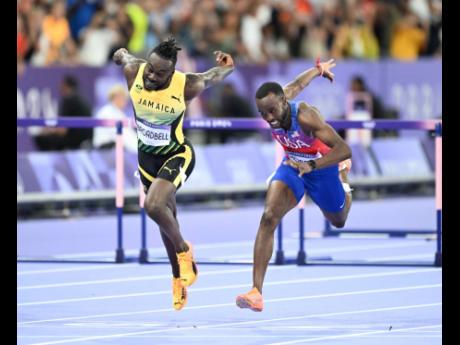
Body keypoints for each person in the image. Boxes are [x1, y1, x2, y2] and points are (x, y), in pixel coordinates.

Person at [113, 36, 234, 311]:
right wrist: (119, 53)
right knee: (166, 219)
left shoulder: (186, 84)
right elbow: (124, 57)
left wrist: (229, 66)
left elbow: (213, 75)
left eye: (160, 73)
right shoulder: (135, 70)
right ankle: (178, 277)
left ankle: (184, 251)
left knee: (153, 206)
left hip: (177, 155)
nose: (152, 76)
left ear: (173, 73)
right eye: (151, 70)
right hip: (147, 161)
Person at [236, 59, 353, 312]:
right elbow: (300, 83)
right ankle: (256, 291)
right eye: (262, 113)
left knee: (339, 219)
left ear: (282, 103)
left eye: (272, 112)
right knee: (269, 216)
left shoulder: (307, 117)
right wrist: (318, 69)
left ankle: (344, 179)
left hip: (322, 167)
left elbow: (344, 149)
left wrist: (314, 166)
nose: (268, 118)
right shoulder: (280, 96)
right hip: (293, 166)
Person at [34, 75, 93, 151]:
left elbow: (62, 130)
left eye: (61, 85)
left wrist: (48, 130)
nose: (59, 88)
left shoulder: (68, 100)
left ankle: (55, 161)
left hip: (75, 141)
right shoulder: (81, 99)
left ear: (65, 86)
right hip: (87, 139)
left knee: (40, 138)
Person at [92, 84, 137, 152]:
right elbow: (121, 135)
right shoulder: (107, 112)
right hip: (106, 149)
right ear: (116, 97)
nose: (125, 101)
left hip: (116, 147)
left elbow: (128, 135)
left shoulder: (119, 113)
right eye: (123, 98)